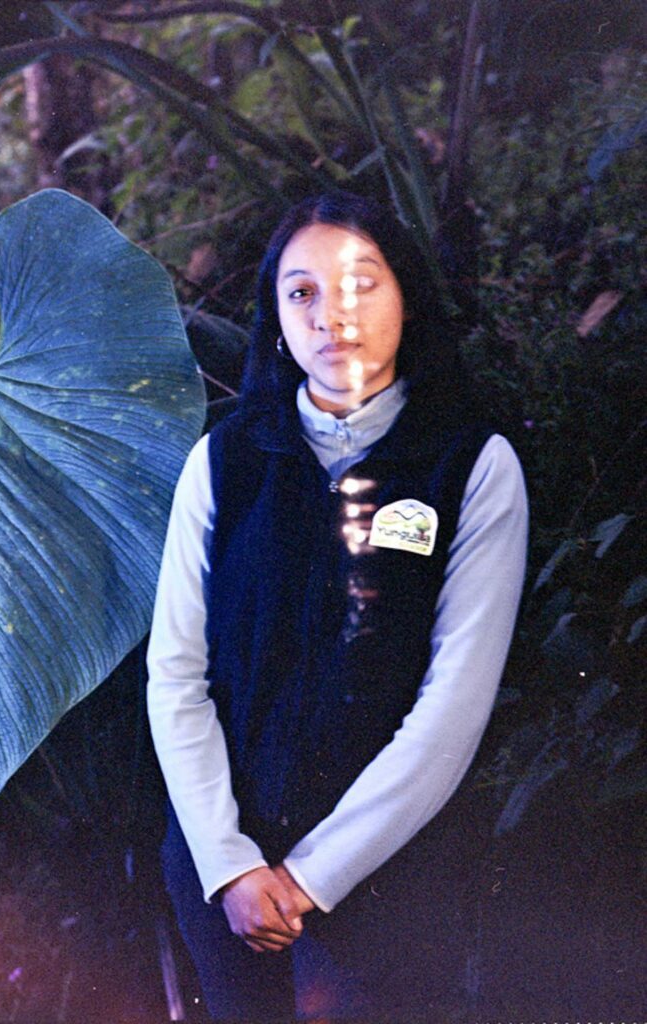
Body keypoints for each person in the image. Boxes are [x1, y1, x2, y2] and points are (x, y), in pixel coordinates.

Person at [146, 189, 528, 1021]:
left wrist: (312, 876)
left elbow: (453, 706)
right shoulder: (223, 462)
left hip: (394, 877)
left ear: (406, 297)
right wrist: (230, 864)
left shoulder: (471, 465)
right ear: (278, 318)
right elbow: (175, 676)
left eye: (361, 283)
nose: (332, 315)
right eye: (303, 292)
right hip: (225, 870)